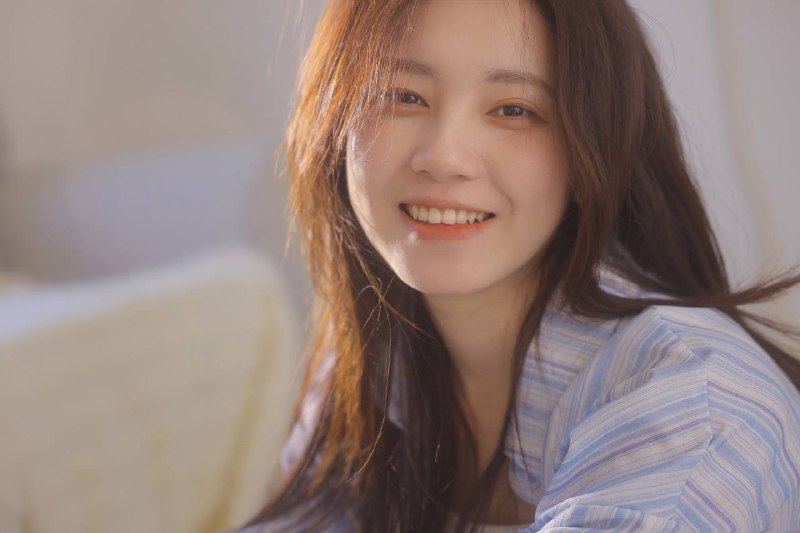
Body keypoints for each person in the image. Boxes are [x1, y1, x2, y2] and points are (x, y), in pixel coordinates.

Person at [242, 0, 800, 531]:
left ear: (593, 149)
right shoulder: (374, 362)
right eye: (403, 95)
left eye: (514, 110)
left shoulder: (691, 405)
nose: (444, 157)